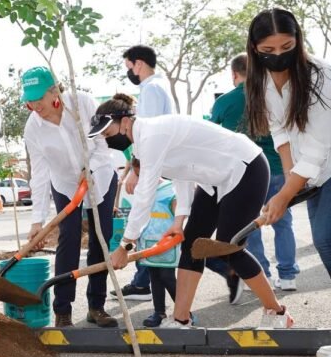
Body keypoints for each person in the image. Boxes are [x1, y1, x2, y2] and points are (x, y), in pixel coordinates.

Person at [91, 94, 293, 329]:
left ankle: (277, 313)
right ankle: (180, 319)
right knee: (192, 246)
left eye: (107, 133)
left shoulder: (152, 135)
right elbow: (183, 173)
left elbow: (145, 193)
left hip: (245, 168)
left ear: (124, 121)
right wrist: (179, 221)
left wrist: (126, 245)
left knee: (229, 247)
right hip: (214, 179)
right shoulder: (142, 141)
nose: (107, 140)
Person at [22, 67, 118, 328]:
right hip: (65, 186)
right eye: (29, 100)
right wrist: (36, 221)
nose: (34, 105)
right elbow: (40, 174)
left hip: (100, 180)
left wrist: (91, 168)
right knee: (69, 239)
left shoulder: (83, 103)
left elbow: (102, 144)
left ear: (55, 90)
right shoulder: (33, 128)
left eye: (38, 98)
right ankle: (62, 311)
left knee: (101, 239)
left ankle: (96, 306)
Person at [244, 8, 331, 279]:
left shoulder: (321, 76)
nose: (278, 54)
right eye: (269, 48)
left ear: (298, 40)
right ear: (255, 49)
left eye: (287, 46)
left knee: (326, 239)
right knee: (324, 241)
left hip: (326, 165)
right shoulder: (262, 80)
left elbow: (319, 146)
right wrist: (290, 180)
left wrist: (284, 195)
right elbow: (279, 130)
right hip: (314, 174)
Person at [211, 52, 299, 291]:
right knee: (284, 223)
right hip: (279, 169)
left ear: (234, 74)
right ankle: (288, 275)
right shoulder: (273, 98)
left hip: (244, 174)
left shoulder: (224, 102)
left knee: (250, 228)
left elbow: (213, 138)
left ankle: (261, 274)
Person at [114, 45, 175, 302]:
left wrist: (136, 172)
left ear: (138, 64)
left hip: (154, 165)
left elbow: (144, 134)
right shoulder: (158, 87)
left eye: (129, 67)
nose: (130, 72)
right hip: (161, 162)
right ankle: (142, 283)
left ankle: (144, 284)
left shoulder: (150, 89)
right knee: (153, 226)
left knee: (147, 221)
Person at [128, 157, 178, 327]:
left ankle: (183, 311)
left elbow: (178, 216)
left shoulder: (170, 190)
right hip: (148, 244)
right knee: (155, 277)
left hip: (167, 245)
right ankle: (159, 312)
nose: (142, 179)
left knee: (167, 277)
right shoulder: (142, 190)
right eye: (138, 175)